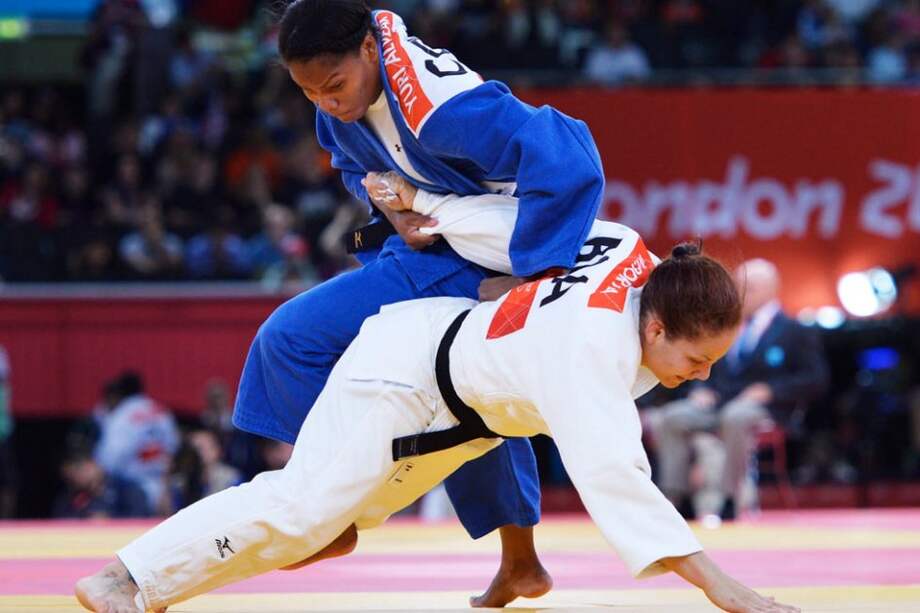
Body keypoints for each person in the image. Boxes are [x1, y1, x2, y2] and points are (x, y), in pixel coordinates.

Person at [75, 219, 800, 613]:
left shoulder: (623, 245)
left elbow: (520, 235)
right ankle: (124, 579)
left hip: (452, 401)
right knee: (301, 510)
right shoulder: (593, 358)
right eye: (697, 359)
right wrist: (725, 591)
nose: (702, 374)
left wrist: (495, 288)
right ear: (655, 328)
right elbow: (620, 480)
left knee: (326, 534)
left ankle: (160, 586)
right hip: (407, 379)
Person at [232, 1, 605, 604]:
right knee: (464, 400)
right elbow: (359, 169)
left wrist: (535, 274)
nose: (327, 102)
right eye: (309, 93)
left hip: (488, 249)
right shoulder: (344, 102)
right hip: (436, 244)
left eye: (334, 86)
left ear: (369, 52)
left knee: (291, 338)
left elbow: (569, 149)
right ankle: (520, 564)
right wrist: (392, 205)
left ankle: (328, 514)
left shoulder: (439, 108)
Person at [653, 259, 829, 520]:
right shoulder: (724, 327)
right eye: (737, 286)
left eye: (750, 287)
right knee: (673, 417)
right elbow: (707, 364)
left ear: (771, 289)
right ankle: (677, 498)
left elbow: (816, 378)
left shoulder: (794, 330)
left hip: (768, 409)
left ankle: (729, 498)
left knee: (736, 416)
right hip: (721, 404)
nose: (741, 293)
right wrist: (702, 388)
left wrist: (770, 390)